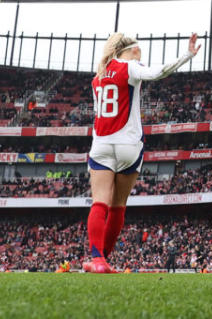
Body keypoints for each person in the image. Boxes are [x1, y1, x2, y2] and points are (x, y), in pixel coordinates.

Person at [83, 32, 200, 274]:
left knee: (99, 202)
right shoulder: (131, 66)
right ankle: (102, 259)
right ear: (133, 50)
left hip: (102, 143)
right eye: (140, 50)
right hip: (128, 143)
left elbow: (97, 115)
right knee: (118, 206)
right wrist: (187, 55)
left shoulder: (99, 76)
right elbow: (160, 72)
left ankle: (97, 260)